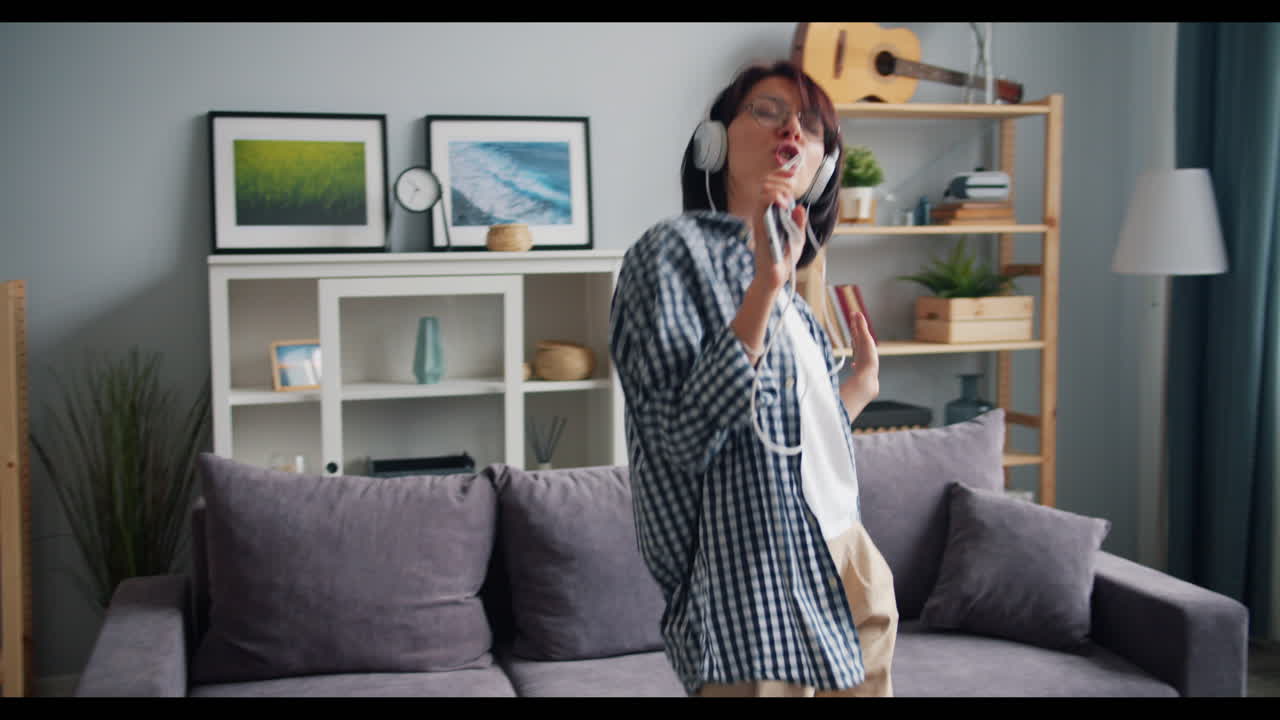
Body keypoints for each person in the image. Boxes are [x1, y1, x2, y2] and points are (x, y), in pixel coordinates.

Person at [608, 59, 898, 698]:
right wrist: (765, 287)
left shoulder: (796, 287)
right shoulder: (670, 254)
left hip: (846, 555)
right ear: (714, 141)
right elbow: (683, 439)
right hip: (752, 579)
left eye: (812, 127)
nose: (792, 131)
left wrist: (856, 390)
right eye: (767, 111)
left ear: (821, 168)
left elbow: (777, 437)